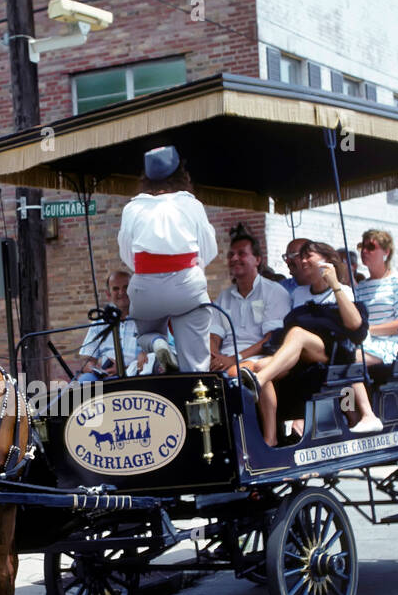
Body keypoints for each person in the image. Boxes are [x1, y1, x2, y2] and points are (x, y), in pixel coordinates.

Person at [247, 240, 381, 443]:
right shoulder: (299, 293)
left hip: (330, 353)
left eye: (308, 255)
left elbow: (355, 326)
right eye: (301, 256)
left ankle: (258, 382)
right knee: (260, 365)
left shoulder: (343, 290)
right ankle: (270, 438)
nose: (303, 260)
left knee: (298, 333)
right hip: (301, 356)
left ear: (327, 260)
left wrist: (335, 284)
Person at [117, 146, 217, 372]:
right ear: (181, 175)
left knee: (144, 334)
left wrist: (151, 274)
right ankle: (196, 394)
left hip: (145, 288)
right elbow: (208, 249)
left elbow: (126, 254)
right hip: (186, 284)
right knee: (196, 362)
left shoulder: (132, 208)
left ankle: (156, 342)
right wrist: (190, 272)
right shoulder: (191, 204)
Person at [355, 229, 398, 422]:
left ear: (386, 252)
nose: (365, 251)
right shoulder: (360, 287)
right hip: (368, 343)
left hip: (395, 344)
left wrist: (369, 330)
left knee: (351, 359)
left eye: (371, 247)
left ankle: (369, 416)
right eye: (362, 246)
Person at [209, 226, 291, 376]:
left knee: (234, 373)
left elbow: (270, 338)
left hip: (259, 358)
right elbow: (214, 336)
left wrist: (235, 359)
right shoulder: (224, 296)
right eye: (231, 255)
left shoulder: (274, 291)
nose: (234, 259)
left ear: (257, 260)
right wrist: (215, 358)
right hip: (225, 358)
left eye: (241, 254)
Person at [77, 270, 152, 381]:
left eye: (126, 287)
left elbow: (162, 350)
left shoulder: (148, 318)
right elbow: (87, 359)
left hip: (137, 377)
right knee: (85, 380)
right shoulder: (99, 323)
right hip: (106, 377)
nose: (121, 292)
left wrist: (124, 368)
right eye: (116, 289)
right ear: (108, 294)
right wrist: (92, 367)